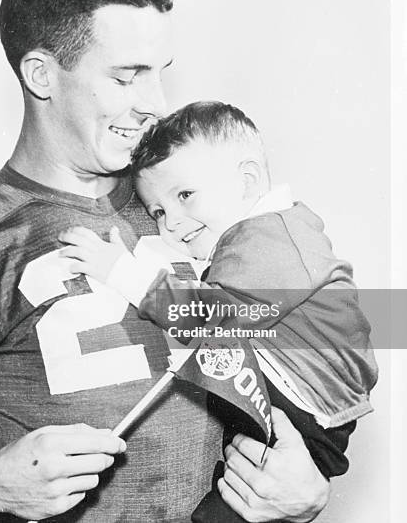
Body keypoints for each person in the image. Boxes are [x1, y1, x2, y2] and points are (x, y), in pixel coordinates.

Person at [0, 0, 332, 523]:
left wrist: (309, 490)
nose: (156, 105)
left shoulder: (189, 201)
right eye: (127, 77)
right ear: (41, 74)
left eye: (160, 74)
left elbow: (356, 325)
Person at [59, 101, 378, 520]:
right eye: (158, 211)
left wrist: (121, 272)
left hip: (307, 415)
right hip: (301, 410)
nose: (171, 223)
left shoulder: (270, 238)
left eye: (185, 196)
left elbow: (209, 320)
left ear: (247, 180)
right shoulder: (261, 234)